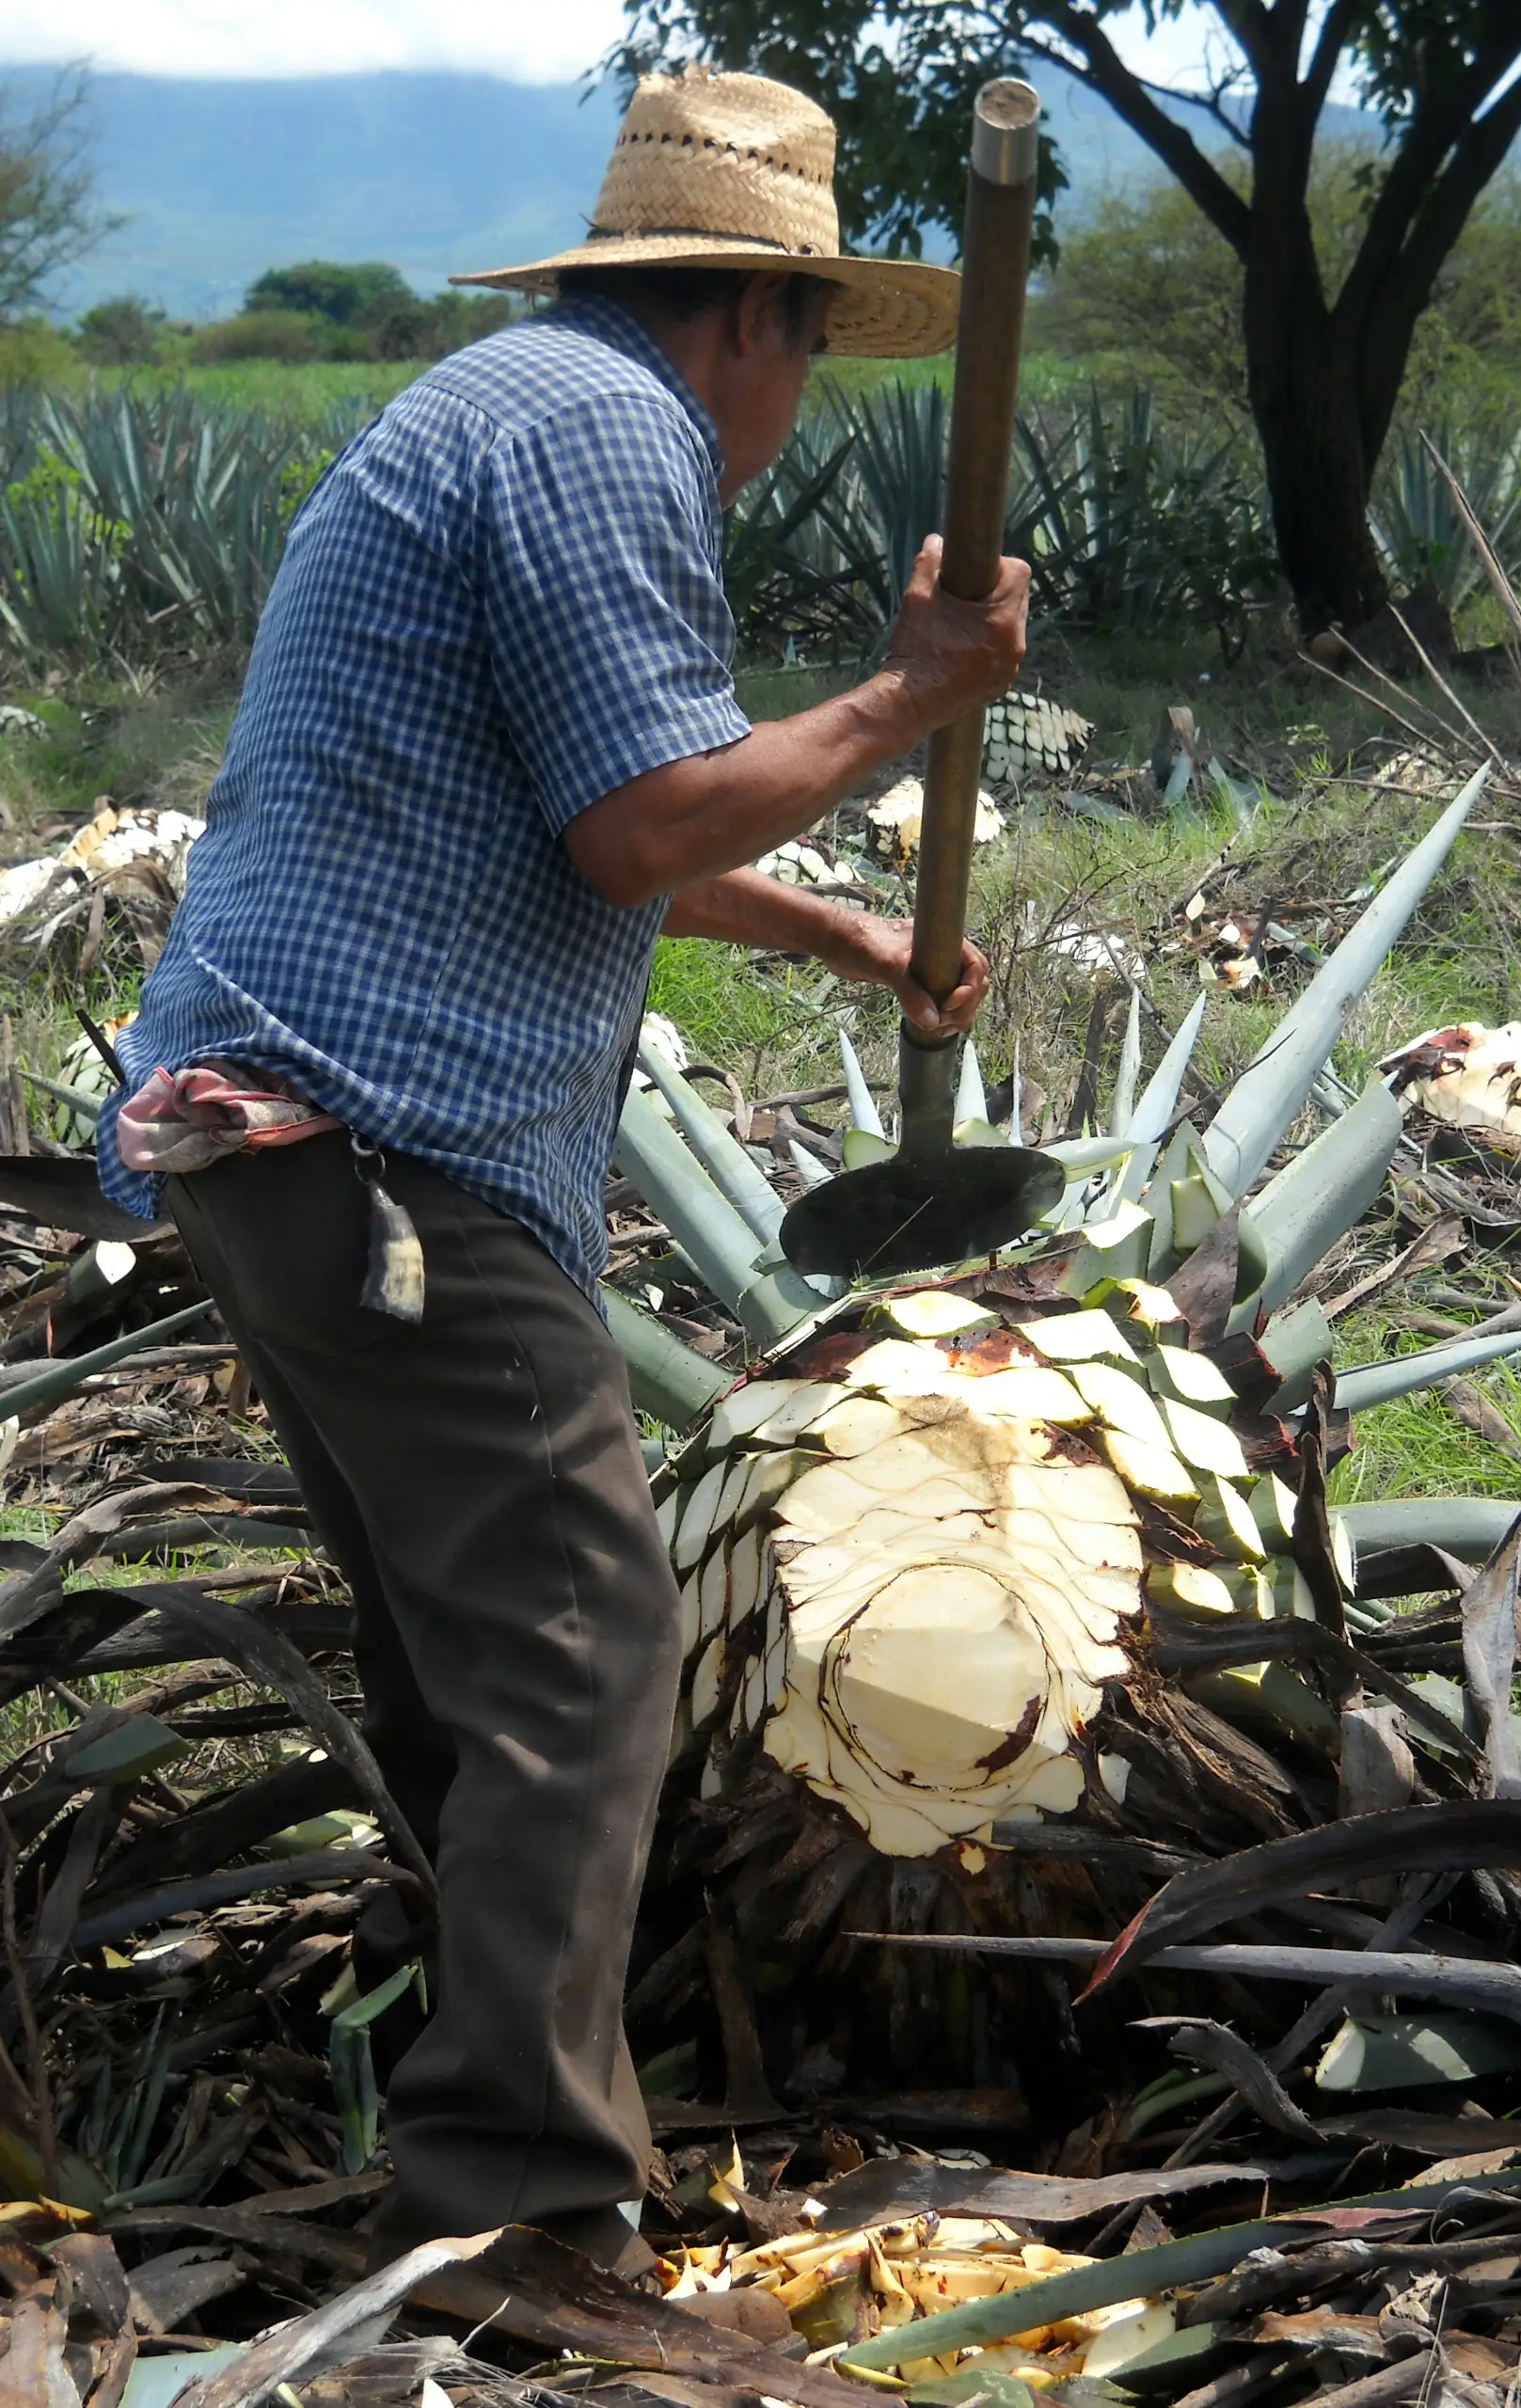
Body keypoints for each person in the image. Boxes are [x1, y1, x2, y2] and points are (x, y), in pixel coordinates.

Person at [97, 64, 1029, 2273]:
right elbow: (635, 821)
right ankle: (520, 2207)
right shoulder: (614, 432)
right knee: (590, 1640)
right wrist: (907, 698)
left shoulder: (509, 402)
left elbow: (574, 816)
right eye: (805, 344)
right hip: (384, 1136)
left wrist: (834, 924)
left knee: (459, 1663)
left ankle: (493, 2070)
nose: (796, 392)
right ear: (757, 321)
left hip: (268, 1137)